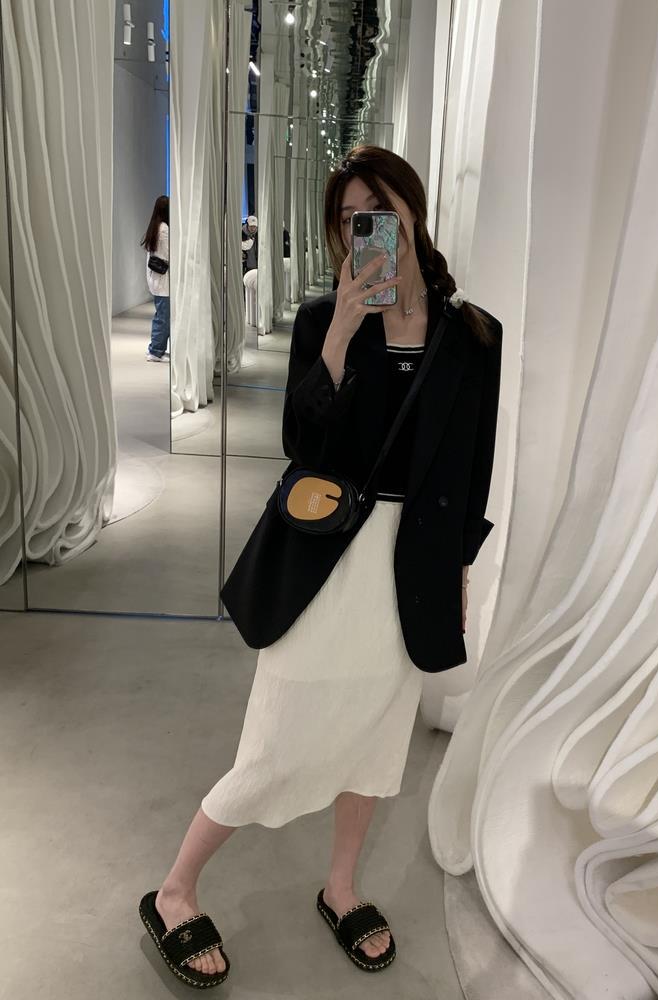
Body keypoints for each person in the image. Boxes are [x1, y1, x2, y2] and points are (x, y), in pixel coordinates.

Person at [139, 146, 503, 989]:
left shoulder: (473, 335)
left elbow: (472, 470)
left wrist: (459, 568)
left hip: (411, 571)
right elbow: (302, 444)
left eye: (379, 208)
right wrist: (341, 331)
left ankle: (341, 887)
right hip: (327, 559)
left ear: (411, 210)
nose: (364, 225)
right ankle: (174, 889)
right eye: (349, 217)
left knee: (376, 741)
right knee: (274, 743)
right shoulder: (321, 320)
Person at [141, 195, 170, 361]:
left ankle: (156, 348)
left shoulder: (155, 226)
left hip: (157, 279)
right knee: (163, 317)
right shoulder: (164, 229)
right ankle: (156, 351)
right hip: (163, 280)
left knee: (161, 315)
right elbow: (168, 254)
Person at [242, 214, 261, 331]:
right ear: (247, 225)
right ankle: (246, 308)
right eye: (251, 226)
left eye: (255, 227)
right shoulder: (241, 234)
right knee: (245, 287)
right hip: (245, 265)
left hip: (256, 264)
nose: (253, 228)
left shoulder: (258, 234)